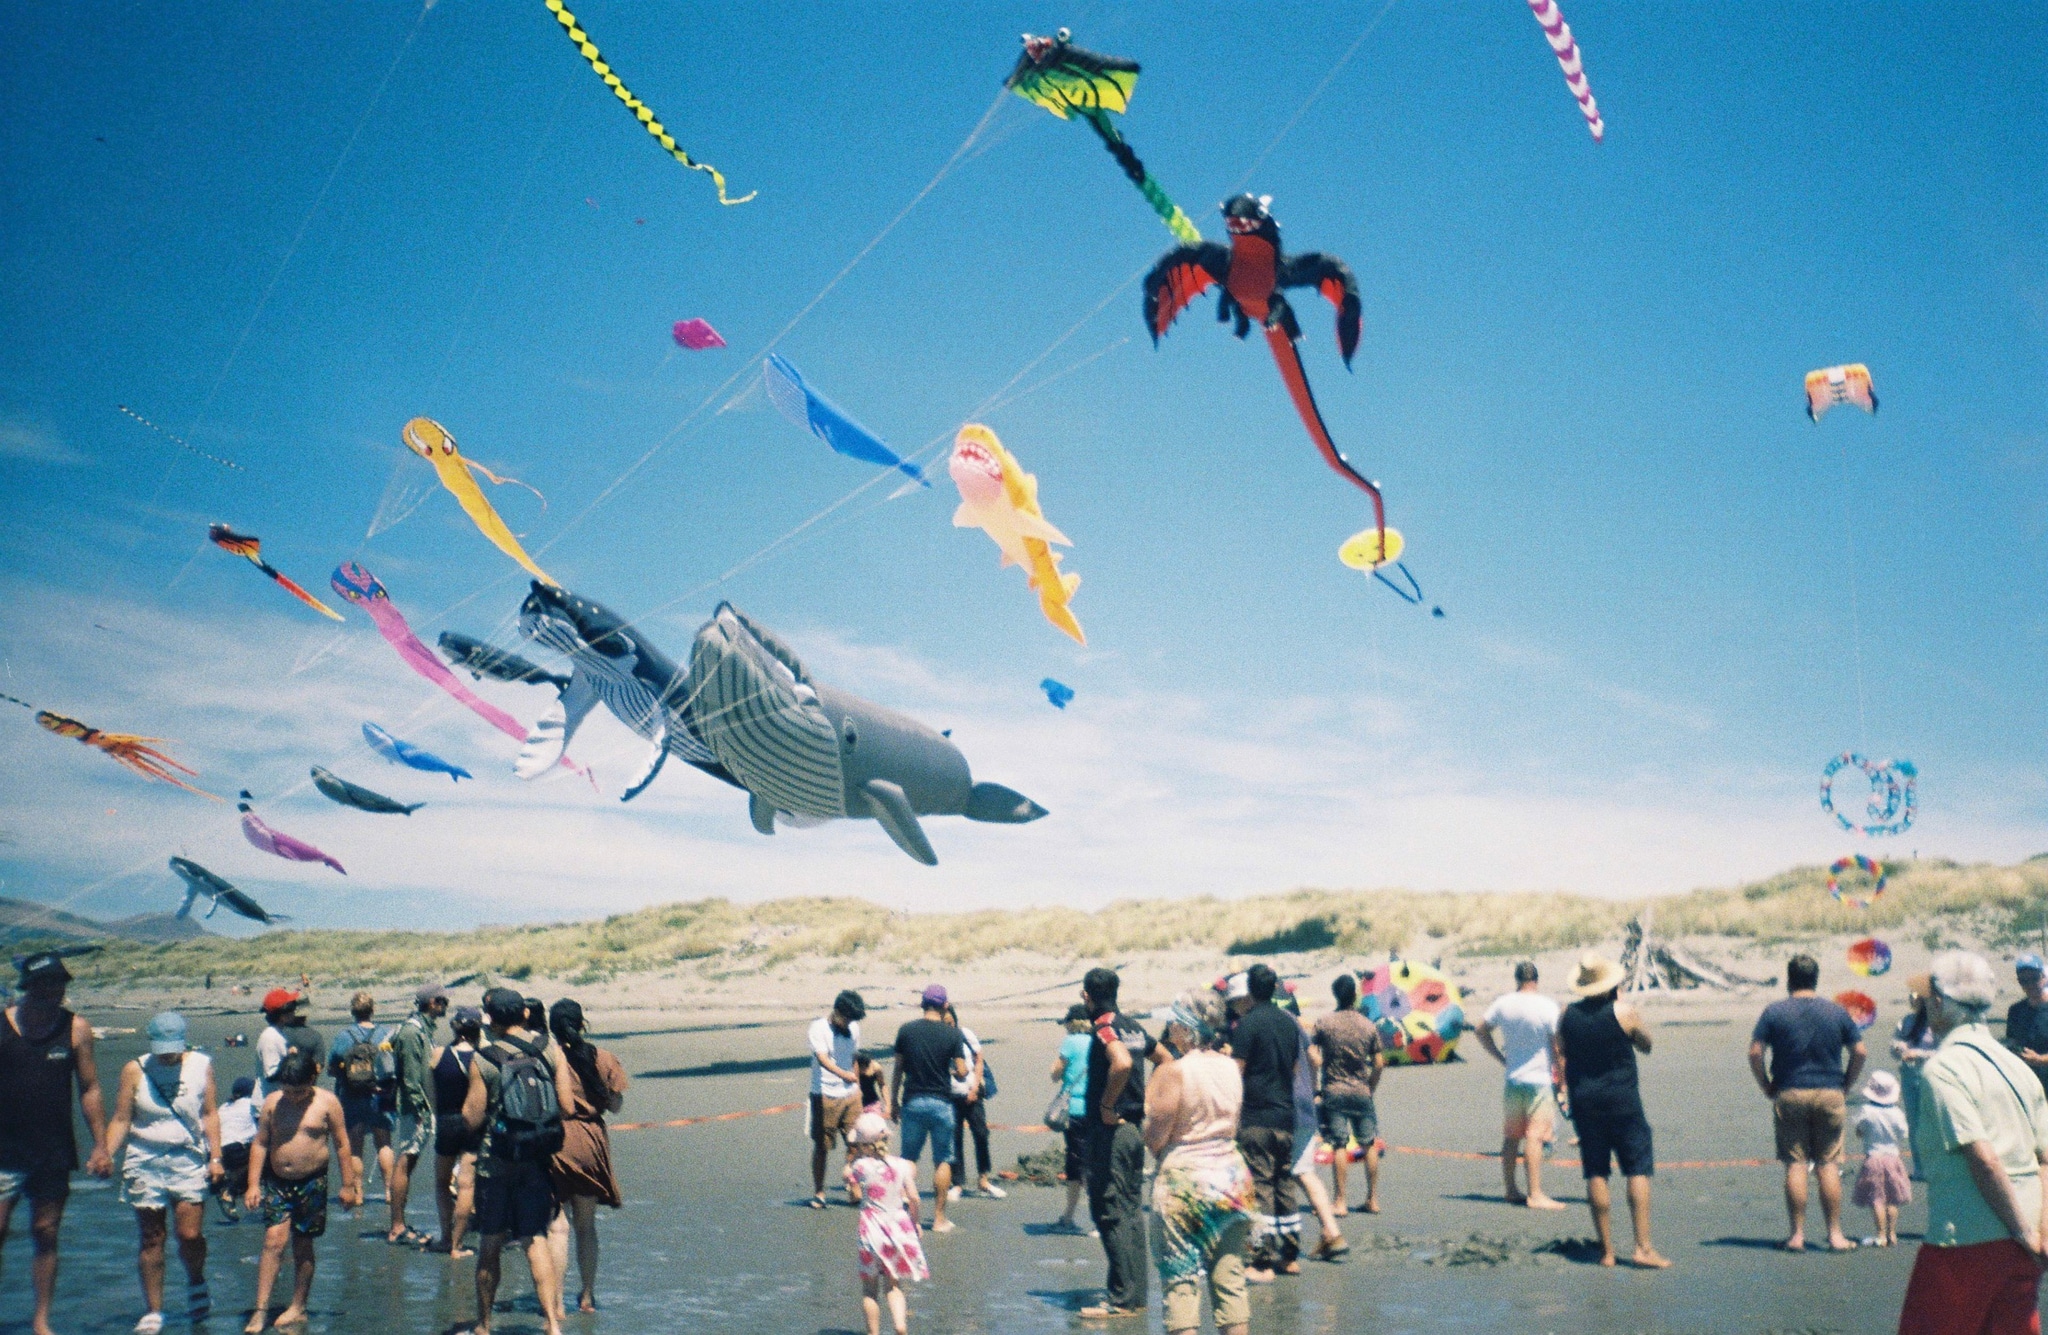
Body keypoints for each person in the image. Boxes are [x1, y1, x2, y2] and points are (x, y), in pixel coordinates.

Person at [1898, 951, 2048, 1335]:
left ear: (1937, 1001)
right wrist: (2039, 1233)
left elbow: (1982, 1157)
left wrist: (2022, 1231)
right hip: (2027, 1239)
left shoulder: (1944, 1068)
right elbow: (2044, 1158)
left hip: (1966, 1238)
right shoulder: (2018, 1066)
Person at [0, 950, 111, 1335]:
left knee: (46, 1232)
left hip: (52, 1149)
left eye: (61, 983)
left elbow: (91, 1087)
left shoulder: (75, 1028)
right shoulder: (1, 1023)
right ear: (29, 986)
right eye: (48, 983)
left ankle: (41, 1320)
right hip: (3, 1150)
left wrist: (100, 1145)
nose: (57, 990)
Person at [460, 987, 578, 1335]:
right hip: (537, 1159)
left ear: (490, 1019)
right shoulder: (549, 1048)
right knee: (535, 1239)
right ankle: (552, 1324)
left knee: (490, 1243)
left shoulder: (484, 1058)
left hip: (495, 1161)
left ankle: (483, 1324)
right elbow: (567, 1107)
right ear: (525, 1015)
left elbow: (471, 1116)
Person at [105, 1011, 222, 1333]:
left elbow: (210, 1114)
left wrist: (216, 1157)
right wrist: (105, 1152)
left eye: (173, 1046)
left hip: (188, 1159)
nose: (167, 1053)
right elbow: (120, 1119)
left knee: (190, 1235)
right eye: (162, 1046)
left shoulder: (201, 1065)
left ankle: (196, 1281)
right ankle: (153, 1310)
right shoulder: (135, 1069)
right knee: (152, 1237)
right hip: (145, 1159)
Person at [1145, 990, 1253, 1335]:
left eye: (1172, 1022)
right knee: (1231, 1280)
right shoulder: (1230, 1066)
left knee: (1181, 1282)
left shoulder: (1173, 1071)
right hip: (1231, 1175)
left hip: (1185, 1180)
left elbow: (1155, 1136)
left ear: (1184, 1029)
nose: (1168, 1028)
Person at [1557, 953, 1670, 1269]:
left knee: (1596, 1171)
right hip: (1621, 1099)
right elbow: (1646, 1044)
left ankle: (1607, 1251)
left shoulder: (1566, 1014)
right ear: (1611, 985)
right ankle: (1642, 1247)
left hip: (1584, 1100)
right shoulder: (1623, 1011)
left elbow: (1561, 1050)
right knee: (1636, 1169)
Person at [1747, 952, 1866, 1252]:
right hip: (1829, 1090)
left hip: (1790, 1091)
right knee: (1827, 1164)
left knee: (1796, 1164)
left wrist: (1765, 1085)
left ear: (1789, 979)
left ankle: (1797, 1234)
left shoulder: (1775, 1012)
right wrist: (1846, 1083)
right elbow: (1860, 1051)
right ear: (1816, 979)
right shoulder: (1836, 1012)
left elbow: (1755, 1052)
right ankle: (1835, 1234)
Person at [243, 1048, 361, 1334]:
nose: (294, 1096)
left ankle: (298, 1305)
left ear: (313, 1078)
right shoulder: (273, 1102)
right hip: (277, 1182)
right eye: (289, 1090)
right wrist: (253, 1184)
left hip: (313, 1182)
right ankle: (260, 1310)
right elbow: (260, 1143)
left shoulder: (327, 1103)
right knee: (273, 1240)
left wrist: (348, 1185)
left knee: (303, 1244)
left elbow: (343, 1144)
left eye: (300, 1091)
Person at [1078, 966, 1154, 1319]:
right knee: (1130, 1210)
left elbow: (1121, 1062)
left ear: (1087, 996)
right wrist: (1148, 1101)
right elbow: (1165, 1058)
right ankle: (1135, 1295)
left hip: (1111, 1131)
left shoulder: (1105, 1027)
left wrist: (1108, 1104)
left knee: (1108, 1211)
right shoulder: (1134, 1027)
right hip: (1134, 1128)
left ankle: (1122, 1299)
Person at [545, 999, 627, 1317]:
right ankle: (588, 1296)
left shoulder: (549, 1058)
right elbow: (617, 1105)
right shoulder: (603, 1058)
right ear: (582, 1025)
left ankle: (555, 1300)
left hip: (557, 1141)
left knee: (557, 1226)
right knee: (587, 1227)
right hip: (591, 1142)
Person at [1230, 964, 1303, 1281]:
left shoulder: (1247, 1024)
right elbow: (1297, 1069)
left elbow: (1237, 1072)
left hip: (1256, 1115)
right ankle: (1289, 1257)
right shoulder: (1289, 1024)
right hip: (1285, 1114)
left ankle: (1261, 1259)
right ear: (1275, 988)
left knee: (1260, 1186)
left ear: (1249, 989)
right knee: (1284, 1183)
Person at [1474, 961, 1565, 1210]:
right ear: (1536, 979)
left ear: (1517, 979)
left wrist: (1499, 1057)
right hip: (1539, 1080)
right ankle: (1535, 1193)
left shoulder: (1504, 1003)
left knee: (1512, 1136)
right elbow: (1558, 1047)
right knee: (1534, 1137)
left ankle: (1511, 1189)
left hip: (1514, 1078)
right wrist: (1563, 1081)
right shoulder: (1547, 1006)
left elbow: (1480, 1029)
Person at [889, 985, 969, 1236]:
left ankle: (903, 1214)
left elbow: (898, 1069)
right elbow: (963, 1070)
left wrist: (893, 1101)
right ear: (945, 1006)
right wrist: (954, 1071)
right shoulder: (951, 1035)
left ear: (922, 1005)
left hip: (913, 1100)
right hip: (941, 1102)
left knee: (909, 1158)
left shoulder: (906, 1031)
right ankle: (938, 1218)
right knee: (943, 1159)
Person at [845, 1112, 927, 1335]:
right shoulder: (902, 1165)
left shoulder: (859, 1167)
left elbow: (853, 1195)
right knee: (893, 1285)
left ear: (862, 1145)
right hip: (898, 1227)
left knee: (870, 1289)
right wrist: (916, 1222)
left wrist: (852, 1186)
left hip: (871, 1228)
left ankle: (874, 1333)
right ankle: (900, 1326)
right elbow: (914, 1197)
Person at [1310, 972, 1385, 1215]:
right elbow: (1379, 1063)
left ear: (1335, 995)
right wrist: (1370, 1087)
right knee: (1368, 1143)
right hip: (1361, 1090)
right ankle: (1372, 1199)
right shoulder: (1367, 1025)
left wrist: (1321, 1066)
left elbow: (1311, 1053)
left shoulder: (1324, 1023)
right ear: (1354, 995)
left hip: (1334, 1089)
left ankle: (1340, 1201)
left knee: (1339, 1144)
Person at [387, 981, 448, 1246]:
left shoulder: (422, 1028)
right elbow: (411, 1078)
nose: (446, 1006)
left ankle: (398, 1224)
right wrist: (422, 1110)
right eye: (443, 1001)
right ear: (432, 1003)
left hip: (420, 1107)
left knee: (407, 1161)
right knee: (405, 1162)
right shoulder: (413, 1032)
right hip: (415, 1110)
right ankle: (397, 1227)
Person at [325, 991, 395, 1216]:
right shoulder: (384, 1033)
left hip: (352, 1095)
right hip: (381, 1094)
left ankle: (358, 1193)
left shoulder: (344, 1036)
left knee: (354, 1146)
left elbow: (333, 1068)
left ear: (352, 1011)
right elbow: (392, 1064)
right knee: (384, 1142)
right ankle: (389, 1192)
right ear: (372, 1010)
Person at [430, 1006, 484, 1258]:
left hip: (446, 1121)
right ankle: (458, 1245)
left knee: (442, 1182)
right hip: (473, 1124)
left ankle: (445, 1238)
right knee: (466, 1184)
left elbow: (430, 1092)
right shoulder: (481, 1058)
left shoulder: (439, 1054)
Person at [809, 990, 866, 1210]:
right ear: (837, 1012)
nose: (850, 1023)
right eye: (848, 1018)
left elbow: (853, 1059)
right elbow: (822, 1059)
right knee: (823, 1146)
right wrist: (843, 1075)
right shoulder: (818, 1028)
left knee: (856, 1142)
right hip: (824, 1094)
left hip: (850, 1094)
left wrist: (857, 1087)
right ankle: (819, 1191)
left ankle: (853, 1186)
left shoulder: (853, 1028)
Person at [944, 1003, 1003, 1201]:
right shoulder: (938, 1040)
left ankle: (983, 1179)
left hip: (972, 1092)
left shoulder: (965, 1034)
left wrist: (976, 1086)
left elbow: (979, 1059)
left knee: (981, 1133)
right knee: (955, 1138)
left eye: (950, 1022)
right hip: (950, 1095)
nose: (948, 1026)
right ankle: (958, 1183)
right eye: (944, 1023)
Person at [1852, 1070, 1911, 1247]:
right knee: (1892, 1198)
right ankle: (1892, 1233)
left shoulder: (1867, 1111)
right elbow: (1903, 1133)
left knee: (1877, 1198)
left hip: (1874, 1158)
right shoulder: (1897, 1113)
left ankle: (1880, 1234)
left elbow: (1859, 1131)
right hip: (1893, 1158)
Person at [1048, 1003, 1092, 1233]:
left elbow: (1055, 1073)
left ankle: (1073, 1217)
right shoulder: (1100, 1041)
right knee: (1091, 1162)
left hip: (1074, 1110)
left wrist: (1063, 1071)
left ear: (1073, 1023)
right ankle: (1074, 1217)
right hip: (1095, 1110)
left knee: (1076, 1166)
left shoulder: (1071, 1042)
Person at [1895, 975, 1939, 1181]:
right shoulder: (1906, 1021)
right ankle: (1920, 1168)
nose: (1914, 1000)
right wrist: (1898, 1048)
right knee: (1914, 1122)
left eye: (1917, 997)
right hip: (1909, 1076)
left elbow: (1946, 1049)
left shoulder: (1937, 1021)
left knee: (1934, 1121)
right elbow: (1895, 1044)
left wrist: (1920, 1054)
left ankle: (1938, 1166)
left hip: (1933, 1076)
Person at [254, 991, 322, 1101]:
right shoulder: (271, 1037)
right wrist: (289, 1058)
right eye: (291, 1009)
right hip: (267, 1102)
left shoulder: (280, 1034)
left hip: (278, 1100)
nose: (294, 1012)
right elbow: (270, 1076)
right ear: (282, 1015)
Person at [2003, 953, 2048, 1096]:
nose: (2030, 985)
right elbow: (2012, 1042)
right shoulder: (2016, 1011)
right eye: (2024, 980)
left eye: (2034, 978)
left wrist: (2040, 1060)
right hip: (2026, 1084)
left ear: (2044, 977)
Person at [216, 1077, 259, 1224]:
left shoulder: (224, 1106)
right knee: (265, 1156)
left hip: (217, 1152)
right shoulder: (252, 1104)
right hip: (235, 1149)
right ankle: (230, 1191)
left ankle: (231, 1184)